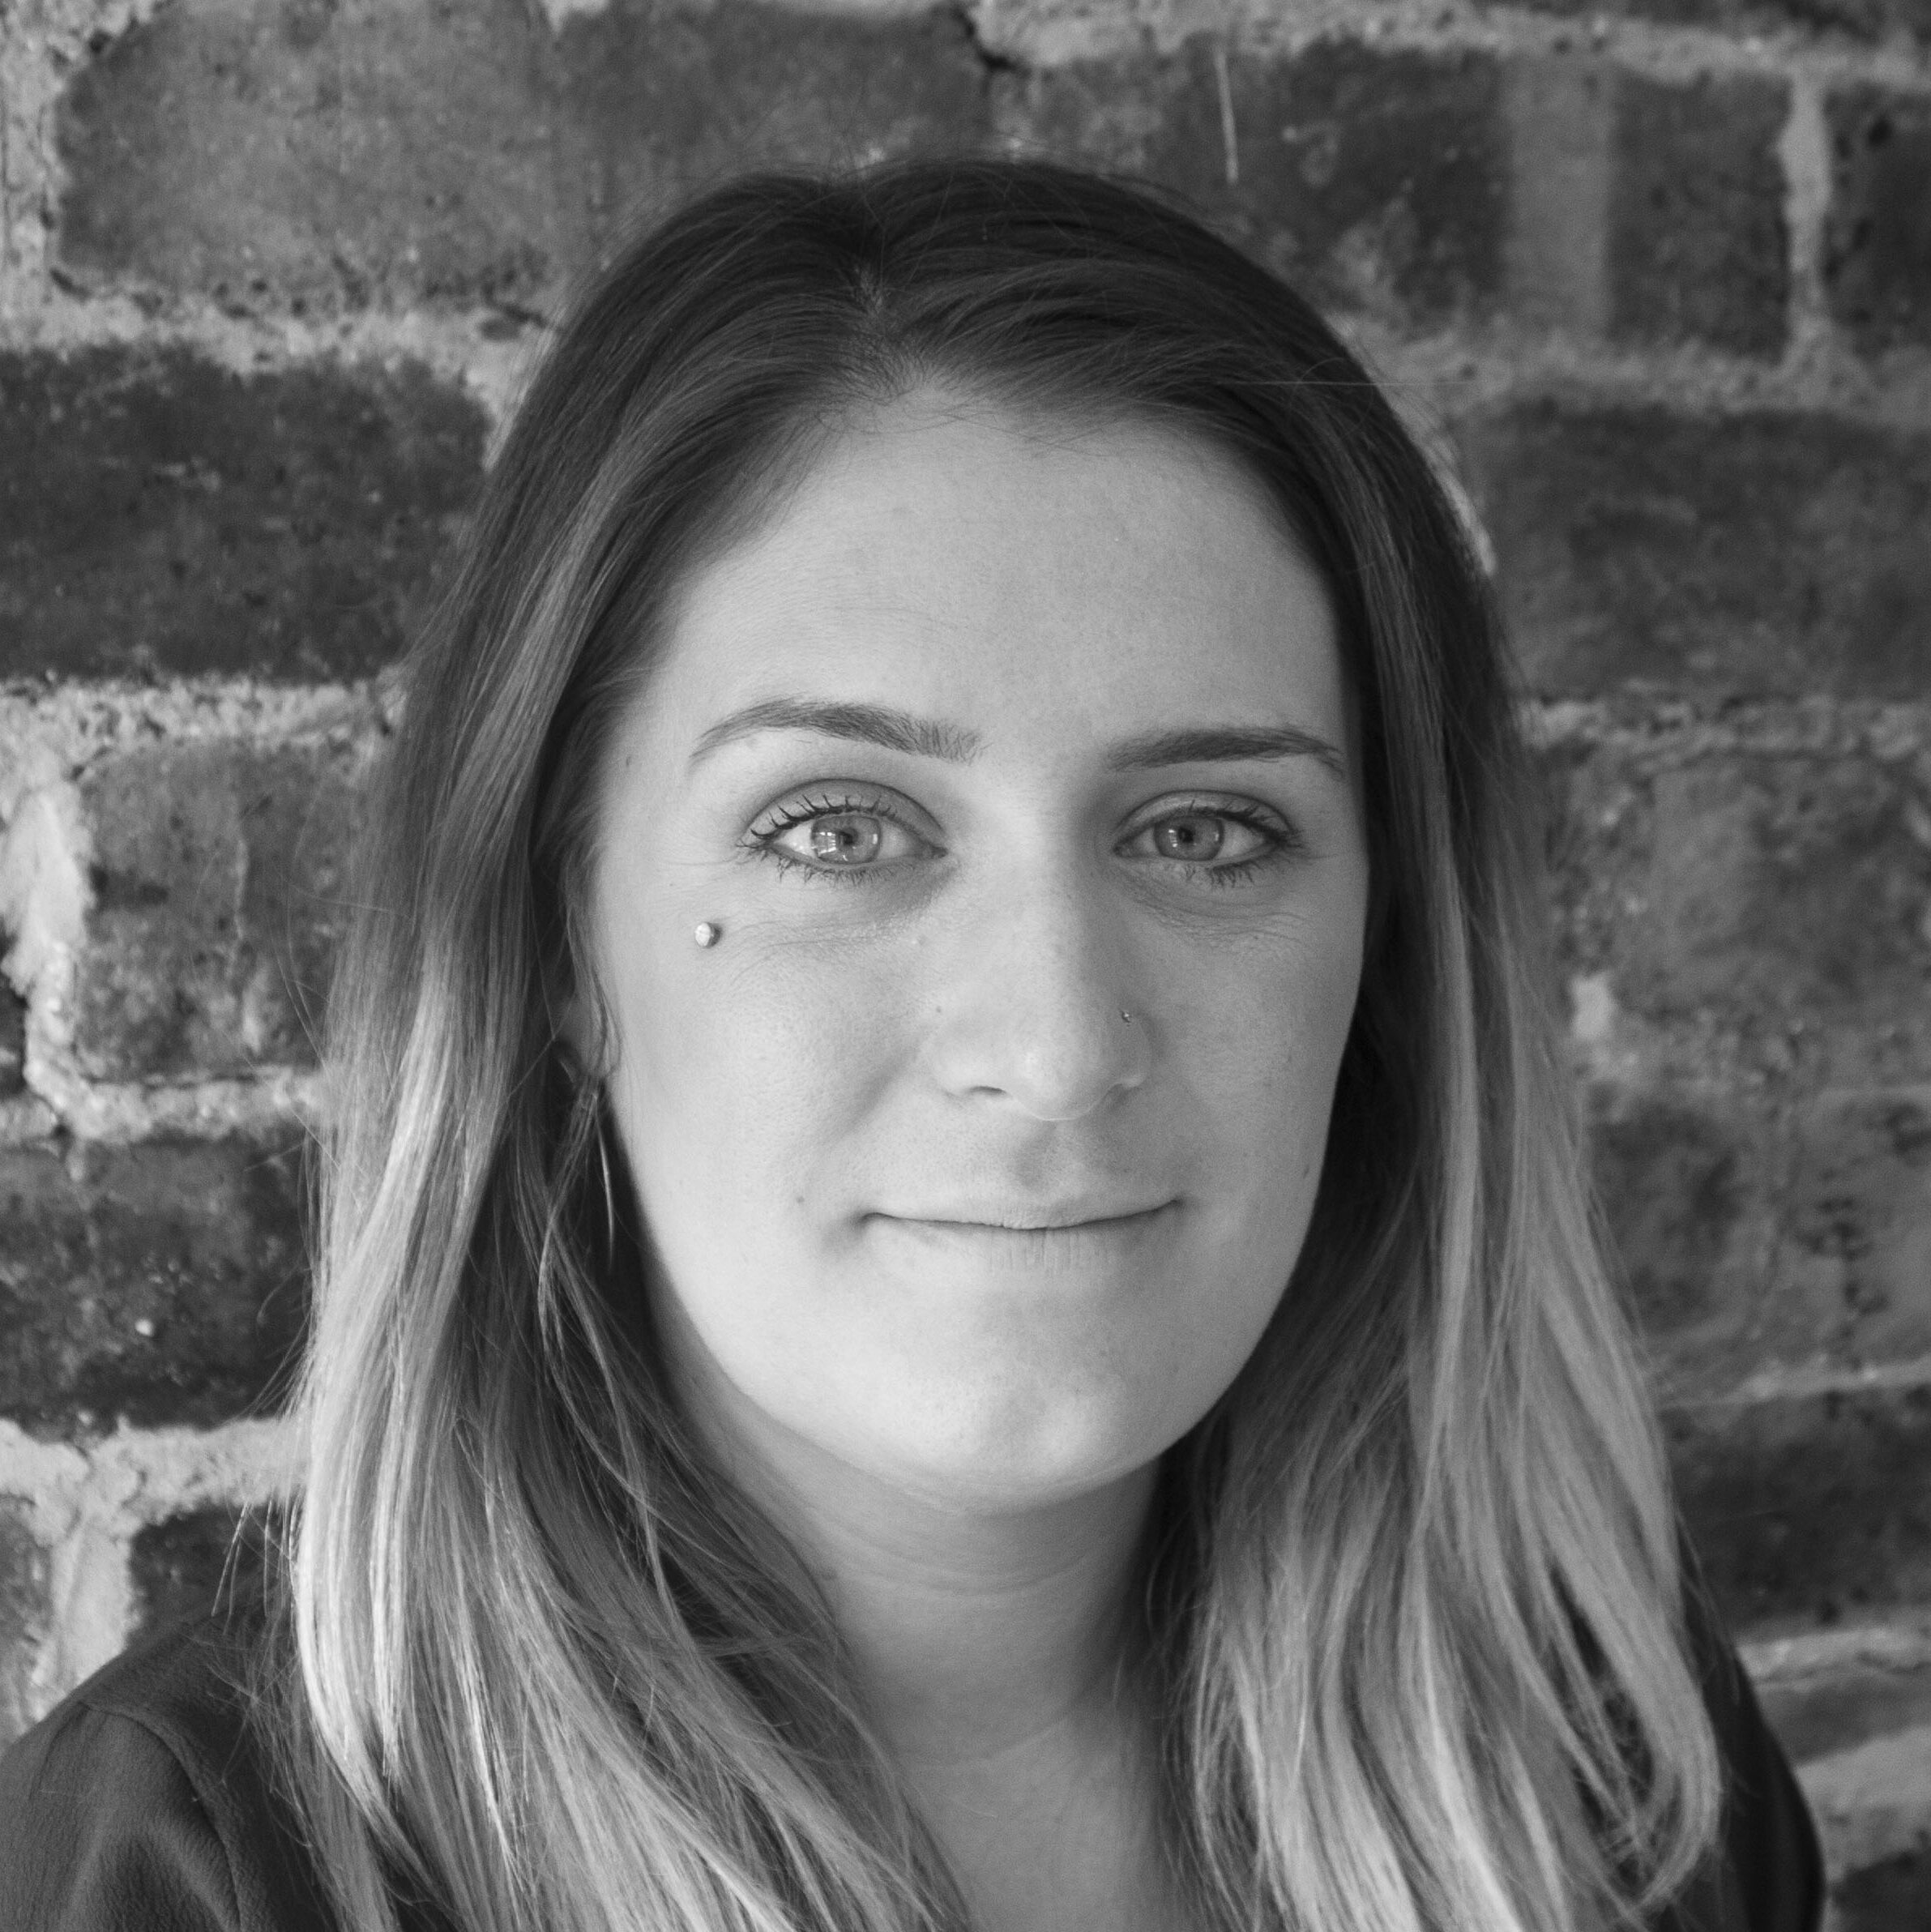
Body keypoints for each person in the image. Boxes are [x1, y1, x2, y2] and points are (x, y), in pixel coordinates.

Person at [0, 157, 1822, 1932]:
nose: (1053, 1047)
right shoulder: (215, 1867)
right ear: (557, 935)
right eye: (839, 829)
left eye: (1204, 829)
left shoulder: (1611, 1772)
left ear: (1390, 949)